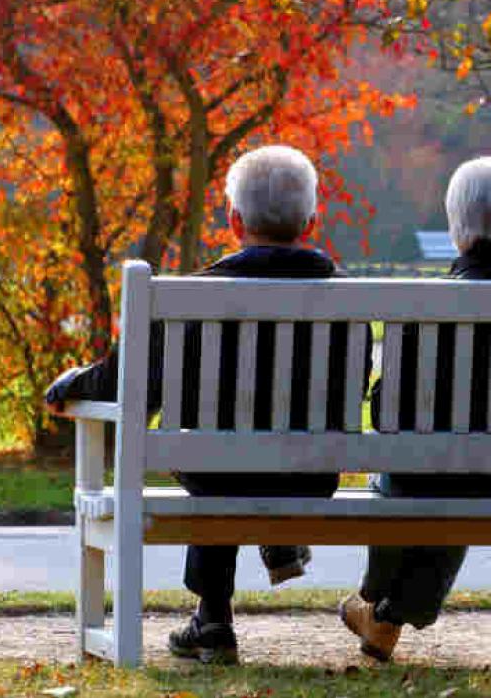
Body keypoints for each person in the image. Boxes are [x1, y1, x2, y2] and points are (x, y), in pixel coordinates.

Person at [45, 145, 368, 665]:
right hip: (310, 476)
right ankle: (276, 539)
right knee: (242, 448)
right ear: (312, 220)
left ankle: (214, 620)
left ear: (234, 220)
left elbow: (125, 382)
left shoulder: (191, 297)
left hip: (216, 473)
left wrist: (71, 383)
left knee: (213, 447)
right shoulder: (350, 300)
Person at [339, 155, 491, 661]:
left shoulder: (429, 304)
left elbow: (389, 416)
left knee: (418, 474)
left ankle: (375, 600)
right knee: (459, 471)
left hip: (437, 478)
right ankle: (389, 616)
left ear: (457, 225)